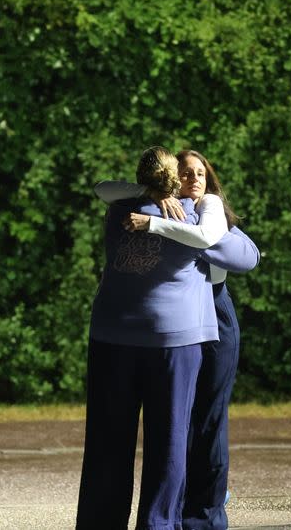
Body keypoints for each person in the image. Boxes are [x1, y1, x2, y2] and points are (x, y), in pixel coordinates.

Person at [96, 149, 259, 530]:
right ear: (170, 180)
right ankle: (178, 509)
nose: (194, 180)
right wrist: (151, 196)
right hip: (182, 318)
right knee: (176, 423)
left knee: (207, 419)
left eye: (201, 173)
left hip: (213, 311)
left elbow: (246, 255)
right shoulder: (159, 205)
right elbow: (103, 188)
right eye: (185, 174)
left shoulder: (209, 212)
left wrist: (163, 223)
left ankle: (204, 514)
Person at [77, 146, 219, 530]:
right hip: (171, 342)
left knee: (107, 440)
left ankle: (99, 522)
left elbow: (102, 187)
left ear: (141, 178)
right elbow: (244, 255)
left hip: (111, 336)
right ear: (174, 178)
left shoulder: (119, 208)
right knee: (169, 441)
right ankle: (157, 524)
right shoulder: (191, 215)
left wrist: (148, 196)